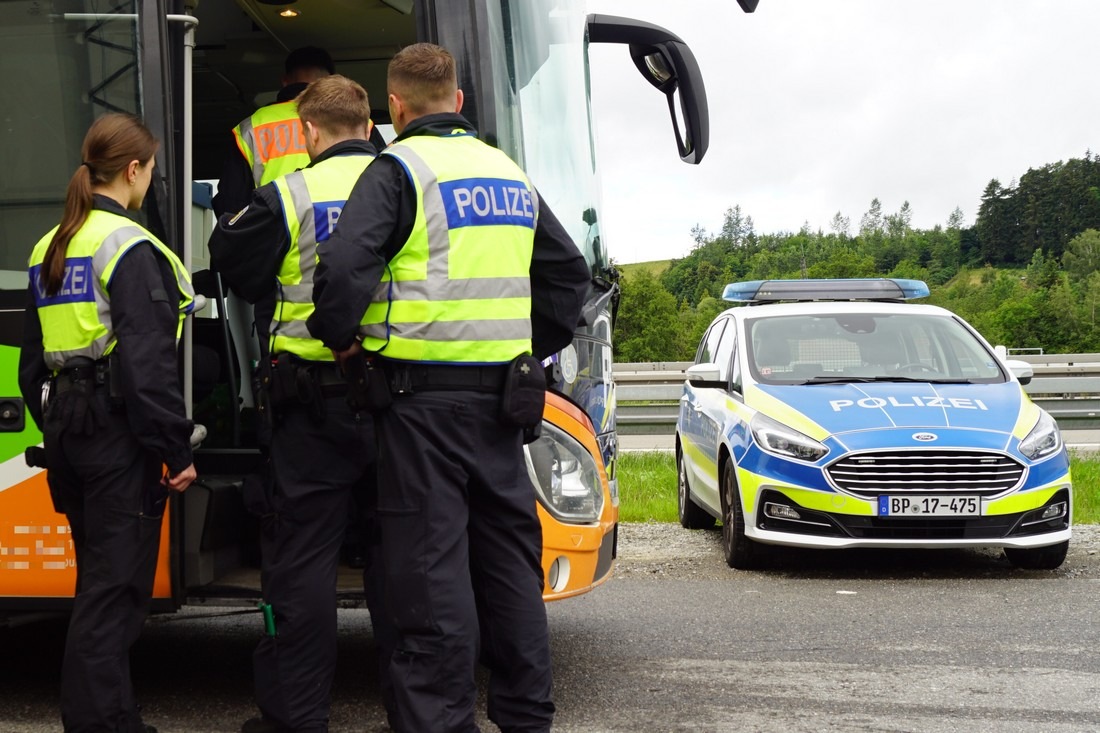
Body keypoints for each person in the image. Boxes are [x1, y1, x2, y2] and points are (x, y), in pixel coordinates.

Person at [308, 43, 590, 733]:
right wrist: (522, 348)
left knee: (429, 576)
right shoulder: (507, 171)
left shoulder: (398, 168)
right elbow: (568, 279)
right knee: (507, 568)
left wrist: (340, 337)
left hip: (419, 405)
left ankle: (439, 721)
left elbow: (344, 273)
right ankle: (525, 715)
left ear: (395, 108)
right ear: (459, 101)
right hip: (504, 403)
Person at [208, 74, 386, 733]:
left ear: (308, 133)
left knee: (302, 565)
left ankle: (297, 717)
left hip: (309, 406)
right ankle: (420, 710)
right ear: (369, 126)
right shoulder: (409, 184)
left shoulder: (291, 193)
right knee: (402, 557)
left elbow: (230, 261)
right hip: (400, 404)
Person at [17, 113, 198, 733]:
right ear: (133, 170)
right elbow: (148, 368)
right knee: (113, 595)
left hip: (68, 431)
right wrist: (176, 452)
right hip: (117, 436)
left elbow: (29, 362)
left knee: (99, 580)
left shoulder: (52, 243)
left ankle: (117, 717)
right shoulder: (128, 247)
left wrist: (59, 423)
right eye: (149, 171)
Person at [212, 46, 335, 218]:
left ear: (285, 81)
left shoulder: (252, 126)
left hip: (275, 236)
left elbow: (232, 204)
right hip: (342, 234)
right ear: (331, 82)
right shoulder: (358, 122)